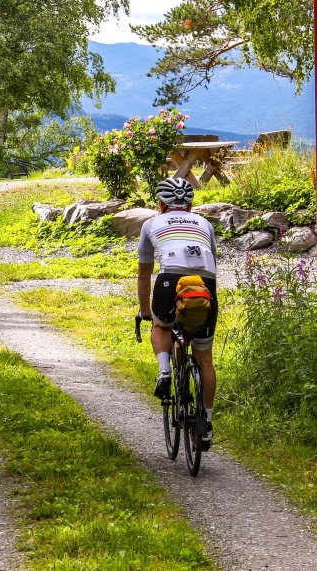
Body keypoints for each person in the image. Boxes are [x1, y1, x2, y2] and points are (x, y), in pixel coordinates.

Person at [136, 177, 219, 448]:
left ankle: (164, 372)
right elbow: (212, 263)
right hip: (204, 283)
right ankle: (206, 422)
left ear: (161, 204)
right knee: (204, 357)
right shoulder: (204, 224)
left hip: (170, 278)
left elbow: (143, 276)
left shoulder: (151, 224)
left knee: (161, 327)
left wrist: (146, 312)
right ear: (191, 205)